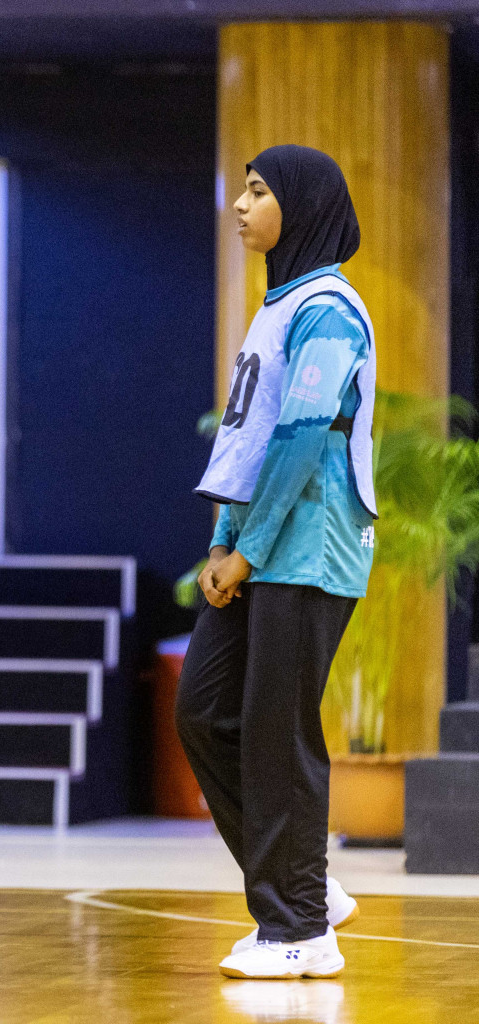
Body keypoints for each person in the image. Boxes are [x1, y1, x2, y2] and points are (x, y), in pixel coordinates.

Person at [177, 145, 376, 981]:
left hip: (309, 550)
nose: (241, 204)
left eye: (259, 192)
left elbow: (301, 441)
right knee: (206, 712)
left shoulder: (329, 307)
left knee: (277, 735)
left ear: (304, 204)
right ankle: (310, 887)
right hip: (257, 548)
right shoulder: (280, 304)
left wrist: (248, 551)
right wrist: (225, 543)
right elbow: (247, 440)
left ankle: (297, 931)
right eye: (243, 189)